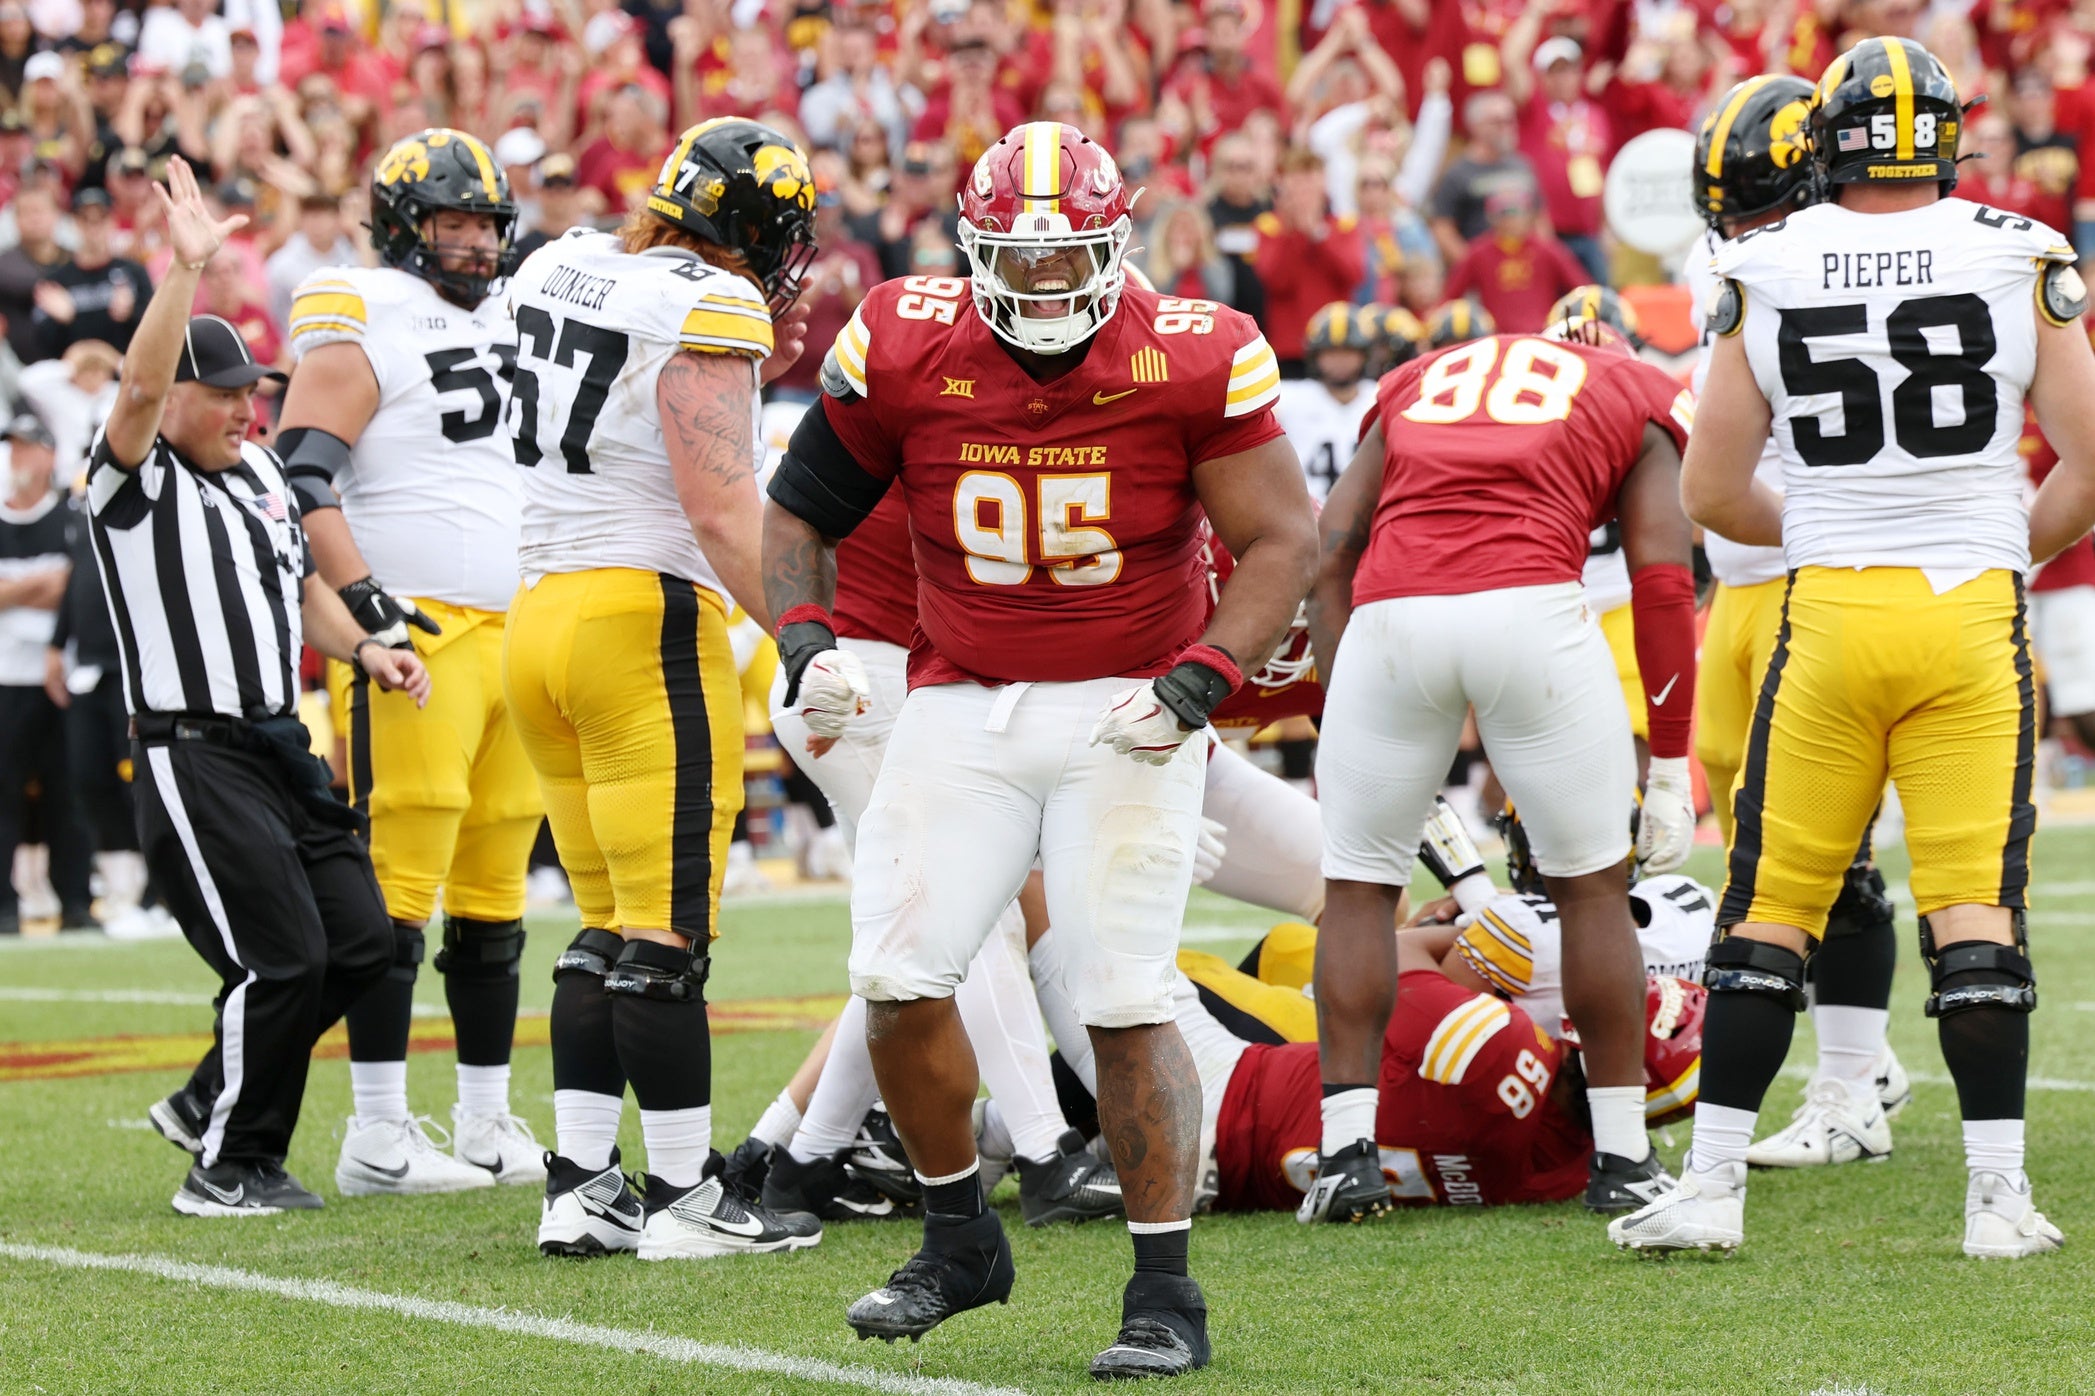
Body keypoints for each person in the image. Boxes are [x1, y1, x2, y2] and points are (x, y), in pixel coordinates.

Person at [762, 119, 1317, 1379]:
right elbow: (800, 508)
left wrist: (1197, 682)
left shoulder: (1191, 353)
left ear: (1115, 251)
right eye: (1025, 258)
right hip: (961, 698)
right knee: (899, 975)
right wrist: (807, 643)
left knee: (1121, 995)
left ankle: (1165, 1290)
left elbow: (1283, 541)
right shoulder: (906, 338)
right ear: (974, 253)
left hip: (1127, 702)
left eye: (1073, 259)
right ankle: (959, 1237)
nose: (1051, 284)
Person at [1617, 37, 2095, 1259]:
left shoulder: (1759, 261)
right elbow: (2090, 462)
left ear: (1823, 141)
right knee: (1973, 910)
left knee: (1770, 906)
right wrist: (2002, 544)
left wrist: (1836, 530)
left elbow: (1714, 491)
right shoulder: (2019, 249)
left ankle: (1713, 1183)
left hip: (1824, 615)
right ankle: (1995, 1201)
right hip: (1969, 618)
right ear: (1945, 133)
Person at [505, 116, 821, 1263]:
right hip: (640, 618)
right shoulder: (714, 305)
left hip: (536, 618)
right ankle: (690, 1196)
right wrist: (804, 634)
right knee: (667, 931)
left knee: (602, 927)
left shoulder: (559, 258)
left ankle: (584, 1183)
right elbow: (722, 509)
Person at [1306, 317, 1698, 1226]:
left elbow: (1331, 544)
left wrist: (1345, 691)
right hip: (1532, 609)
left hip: (1392, 616)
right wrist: (1671, 761)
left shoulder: (1416, 378)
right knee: (1592, 891)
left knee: (1360, 887)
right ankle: (1624, 1157)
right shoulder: (1636, 389)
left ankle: (1343, 1152)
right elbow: (1663, 580)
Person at [95, 156, 427, 1217]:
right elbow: (140, 389)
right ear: (180, 396)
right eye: (228, 394)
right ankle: (229, 1165)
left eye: (254, 394)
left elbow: (297, 592)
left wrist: (363, 647)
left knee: (364, 945)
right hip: (193, 749)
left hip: (281, 740)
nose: (248, 410)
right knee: (280, 958)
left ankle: (209, 1099)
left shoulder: (266, 473)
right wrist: (185, 274)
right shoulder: (131, 479)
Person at [276, 129, 543, 1197]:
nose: (475, 243)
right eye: (453, 222)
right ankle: (378, 1133)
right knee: (399, 884)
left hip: (513, 629)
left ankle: (482, 1120)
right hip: (413, 633)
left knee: (496, 885)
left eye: (485, 223)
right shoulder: (361, 306)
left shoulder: (525, 313)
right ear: (402, 225)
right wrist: (362, 598)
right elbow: (302, 473)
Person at [1681, 74, 1911, 1173]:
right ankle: (1857, 1057)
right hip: (1737, 580)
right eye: (1726, 212)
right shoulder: (1733, 260)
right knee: (1739, 824)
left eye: (1758, 209)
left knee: (1824, 850)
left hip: (1810, 575)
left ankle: (1850, 1080)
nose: (1740, 231)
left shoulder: (1852, 255)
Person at [0, 412, 90, 935]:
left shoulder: (70, 515)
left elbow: (75, 585)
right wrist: (40, 584)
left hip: (61, 674)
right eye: (13, 449)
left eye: (29, 448)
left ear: (51, 454)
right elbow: (56, 583)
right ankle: (6, 906)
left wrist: (15, 592)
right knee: (4, 793)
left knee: (67, 791)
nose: (19, 459)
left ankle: (75, 901)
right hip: (8, 675)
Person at [1274, 301, 1377, 502]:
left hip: (1366, 514)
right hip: (1306, 515)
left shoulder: (1381, 396)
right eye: (1330, 353)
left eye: (1348, 352)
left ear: (1364, 355)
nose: (1339, 361)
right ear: (1315, 356)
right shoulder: (1288, 397)